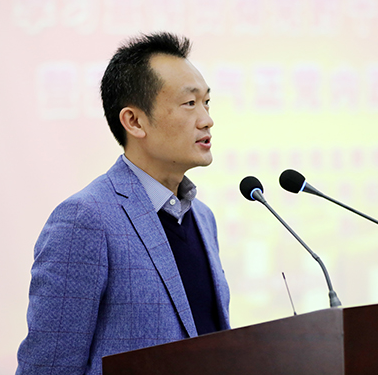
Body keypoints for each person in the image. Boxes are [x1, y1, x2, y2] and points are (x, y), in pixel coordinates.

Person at [16, 32, 230, 375]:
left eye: (207, 102)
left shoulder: (203, 218)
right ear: (134, 121)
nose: (206, 119)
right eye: (190, 103)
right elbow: (48, 367)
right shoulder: (85, 219)